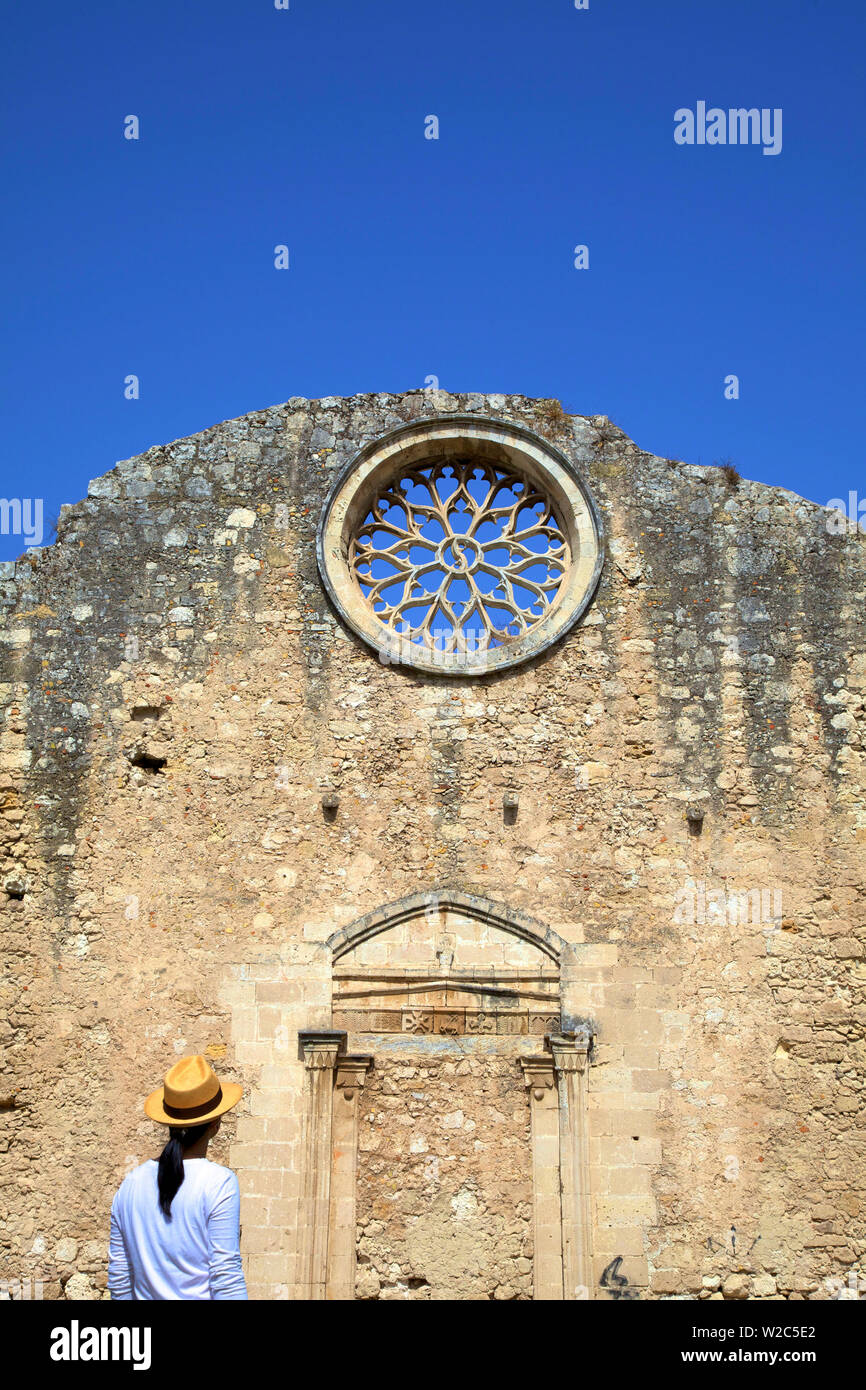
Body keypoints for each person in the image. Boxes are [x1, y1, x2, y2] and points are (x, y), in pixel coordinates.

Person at [108, 1054, 247, 1300]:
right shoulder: (219, 1183)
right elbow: (226, 1276)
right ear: (216, 1124)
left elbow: (120, 1280)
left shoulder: (131, 1184)